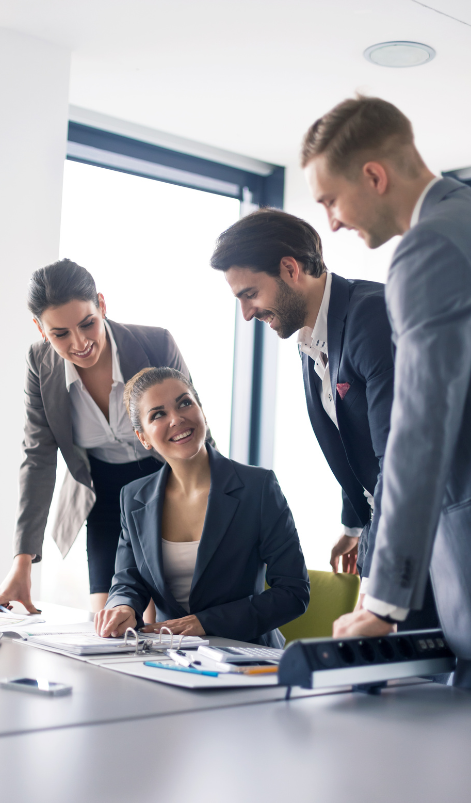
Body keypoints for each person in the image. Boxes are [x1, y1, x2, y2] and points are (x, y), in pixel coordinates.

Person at [302, 95, 471, 686]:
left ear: (374, 176)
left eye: (330, 200)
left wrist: (381, 601)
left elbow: (418, 430)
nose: (332, 223)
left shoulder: (426, 251)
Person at [210, 208, 439, 631]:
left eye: (249, 294)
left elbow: (399, 457)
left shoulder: (372, 317)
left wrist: (383, 601)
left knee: (424, 685)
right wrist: (353, 524)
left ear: (290, 269)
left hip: (427, 538)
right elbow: (353, 442)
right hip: (381, 530)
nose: (245, 313)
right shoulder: (309, 341)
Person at [0, 259, 212, 616]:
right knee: (109, 623)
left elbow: (192, 429)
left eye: (87, 324)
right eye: (60, 334)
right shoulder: (40, 364)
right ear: (40, 329)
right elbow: (37, 457)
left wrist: (219, 507)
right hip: (101, 495)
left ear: (101, 303)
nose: (80, 343)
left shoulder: (155, 343)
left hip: (167, 486)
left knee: (161, 620)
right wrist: (22, 562)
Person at [95, 367, 309, 645]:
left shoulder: (258, 487)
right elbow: (128, 579)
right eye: (158, 414)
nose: (176, 419)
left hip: (247, 656)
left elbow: (293, 592)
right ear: (143, 437)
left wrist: (205, 623)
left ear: (201, 410)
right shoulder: (133, 497)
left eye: (185, 403)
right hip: (170, 657)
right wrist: (123, 606)